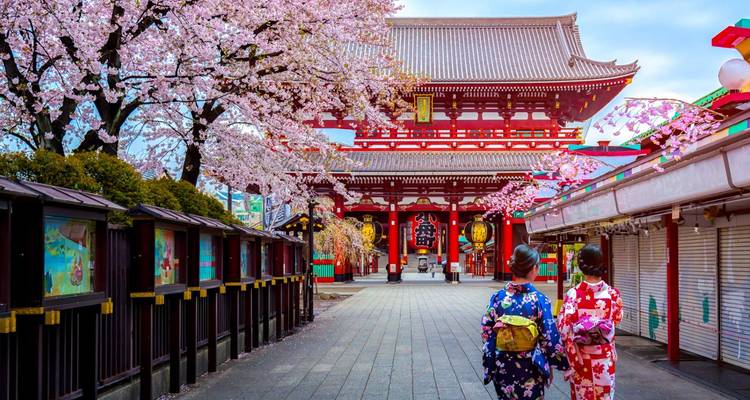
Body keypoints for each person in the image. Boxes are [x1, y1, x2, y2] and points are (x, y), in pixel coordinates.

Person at [481, 244, 569, 399]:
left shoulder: (498, 298)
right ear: (534, 268)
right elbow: (549, 337)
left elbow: (487, 330)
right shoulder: (539, 300)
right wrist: (560, 363)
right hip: (531, 365)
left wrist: (499, 347)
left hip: (503, 364)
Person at [557, 244, 623, 400]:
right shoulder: (613, 294)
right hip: (604, 358)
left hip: (581, 359)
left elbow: (564, 329)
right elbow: (617, 320)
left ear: (581, 266)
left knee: (582, 395)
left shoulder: (573, 294)